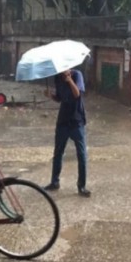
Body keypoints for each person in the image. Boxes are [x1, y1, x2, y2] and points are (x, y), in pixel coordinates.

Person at [44, 68, 91, 198]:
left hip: (77, 121)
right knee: (58, 152)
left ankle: (81, 186)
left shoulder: (77, 74)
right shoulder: (57, 77)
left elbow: (77, 94)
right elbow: (60, 98)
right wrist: (51, 96)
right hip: (63, 121)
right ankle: (54, 182)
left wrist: (69, 80)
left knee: (81, 154)